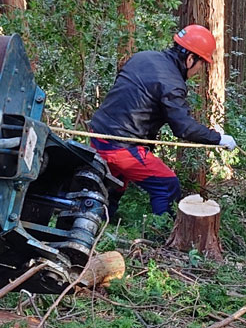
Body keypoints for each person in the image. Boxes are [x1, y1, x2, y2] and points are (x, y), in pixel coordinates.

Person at [87, 25, 237, 216]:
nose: (199, 70)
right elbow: (183, 127)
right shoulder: (172, 83)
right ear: (190, 59)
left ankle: (100, 222)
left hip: (97, 133)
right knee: (167, 185)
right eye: (201, 64)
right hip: (119, 146)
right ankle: (162, 237)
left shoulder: (142, 57)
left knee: (114, 182)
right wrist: (218, 138)